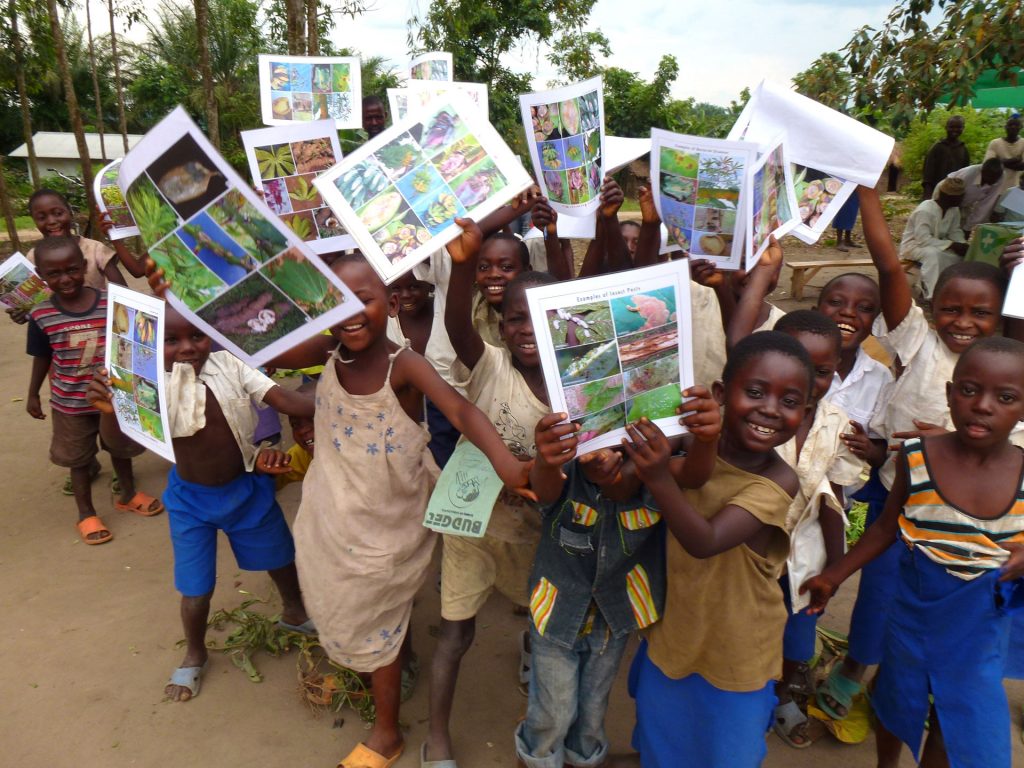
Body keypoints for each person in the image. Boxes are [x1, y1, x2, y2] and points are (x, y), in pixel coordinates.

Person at [262, 247, 531, 768]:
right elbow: (267, 345)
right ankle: (377, 662)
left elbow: (460, 410)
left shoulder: (403, 364)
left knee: (379, 616)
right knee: (347, 602)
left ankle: (386, 732)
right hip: (333, 511)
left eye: (362, 299)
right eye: (335, 303)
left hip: (387, 519)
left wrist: (505, 463)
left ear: (388, 304)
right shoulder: (329, 350)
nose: (350, 314)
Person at [815, 186, 1010, 720]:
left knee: (948, 595)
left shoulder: (1004, 364)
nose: (963, 321)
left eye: (980, 313)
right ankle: (856, 666)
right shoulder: (918, 340)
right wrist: (867, 189)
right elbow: (888, 265)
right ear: (931, 308)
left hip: (967, 510)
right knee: (879, 589)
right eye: (951, 309)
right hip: (896, 493)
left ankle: (920, 677)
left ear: (1000, 317)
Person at [801, 337, 1024, 768]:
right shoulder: (919, 457)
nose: (982, 406)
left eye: (1006, 397)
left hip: (979, 626)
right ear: (950, 394)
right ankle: (887, 762)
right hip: (914, 611)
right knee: (897, 695)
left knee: (956, 711)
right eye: (969, 390)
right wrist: (834, 575)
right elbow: (886, 527)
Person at [90, 303, 316, 701]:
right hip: (191, 502)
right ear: (150, 346)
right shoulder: (147, 385)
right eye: (171, 340)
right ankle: (195, 653)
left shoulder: (230, 365)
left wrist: (351, 386)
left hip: (247, 487)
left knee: (281, 558)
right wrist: (111, 411)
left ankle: (294, 612)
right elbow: (120, 445)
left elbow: (288, 402)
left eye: (197, 335)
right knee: (195, 590)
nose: (188, 348)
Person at [625, 331, 813, 767]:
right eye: (755, 392)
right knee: (662, 735)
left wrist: (658, 477)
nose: (770, 409)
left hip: (738, 646)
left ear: (805, 414)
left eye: (789, 402)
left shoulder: (778, 479)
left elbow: (704, 541)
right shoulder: (689, 442)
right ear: (720, 394)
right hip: (677, 625)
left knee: (728, 751)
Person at [517, 389, 721, 768]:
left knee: (593, 707)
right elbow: (543, 493)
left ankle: (582, 759)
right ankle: (538, 758)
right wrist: (546, 459)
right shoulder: (570, 460)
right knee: (554, 708)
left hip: (615, 614)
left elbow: (695, 473)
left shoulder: (657, 471)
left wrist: (707, 439)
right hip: (556, 608)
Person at [424, 221, 553, 768]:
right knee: (454, 633)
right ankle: (437, 735)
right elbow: (457, 323)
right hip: (471, 521)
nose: (527, 329)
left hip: (537, 532)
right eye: (516, 318)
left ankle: (541, 733)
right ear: (501, 323)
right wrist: (461, 265)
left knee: (542, 628)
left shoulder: (576, 385)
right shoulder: (490, 362)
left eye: (541, 317)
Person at [26, 236, 160, 545]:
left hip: (112, 397)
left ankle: (128, 494)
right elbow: (42, 357)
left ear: (85, 266)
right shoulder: (41, 315)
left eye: (72, 269)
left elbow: (132, 342)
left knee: (121, 450)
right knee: (78, 460)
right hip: (70, 403)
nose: (65, 279)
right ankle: (86, 513)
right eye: (54, 273)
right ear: (41, 275)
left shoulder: (110, 301)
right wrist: (32, 393)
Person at [898, 176, 968, 299]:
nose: (962, 199)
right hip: (913, 246)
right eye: (960, 197)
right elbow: (923, 240)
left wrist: (962, 244)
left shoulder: (954, 210)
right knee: (933, 256)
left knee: (958, 257)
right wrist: (951, 245)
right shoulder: (925, 210)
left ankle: (948, 291)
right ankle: (932, 295)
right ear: (948, 197)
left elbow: (954, 231)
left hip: (937, 245)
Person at [930, 158, 1005, 233]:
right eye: (990, 177)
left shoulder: (999, 177)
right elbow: (952, 191)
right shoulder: (969, 173)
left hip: (963, 204)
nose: (994, 181)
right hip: (945, 195)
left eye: (996, 178)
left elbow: (985, 207)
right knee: (938, 223)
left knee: (957, 229)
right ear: (983, 172)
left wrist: (968, 228)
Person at [921, 115, 970, 200]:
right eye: (952, 127)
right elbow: (928, 173)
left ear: (963, 128)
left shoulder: (963, 149)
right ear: (946, 127)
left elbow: (965, 174)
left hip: (955, 194)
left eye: (958, 127)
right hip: (937, 192)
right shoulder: (938, 147)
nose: (955, 130)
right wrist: (927, 196)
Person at [984, 114, 1024, 194]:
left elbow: (1022, 166)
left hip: (1017, 189)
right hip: (996, 189)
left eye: (1016, 125)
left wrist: (999, 161)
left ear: (1021, 127)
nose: (1013, 127)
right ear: (1005, 127)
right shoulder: (995, 143)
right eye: (1010, 125)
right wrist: (1015, 159)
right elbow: (988, 165)